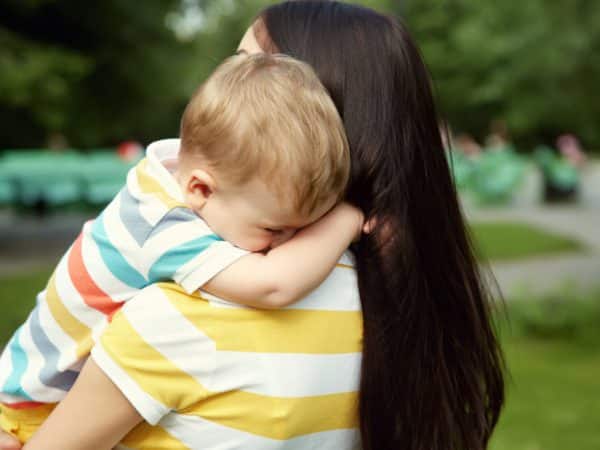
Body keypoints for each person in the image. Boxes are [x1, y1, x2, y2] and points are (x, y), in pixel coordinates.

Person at [0, 2, 505, 450]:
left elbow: (272, 285)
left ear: (310, 112)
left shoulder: (182, 320)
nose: (220, 87)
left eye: (249, 65)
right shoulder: (403, 313)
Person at [0, 52, 364, 444]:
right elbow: (271, 285)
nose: (287, 244)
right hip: (29, 407)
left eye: (303, 228)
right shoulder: (162, 224)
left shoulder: (191, 183)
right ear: (200, 189)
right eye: (274, 229)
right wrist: (345, 220)